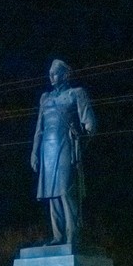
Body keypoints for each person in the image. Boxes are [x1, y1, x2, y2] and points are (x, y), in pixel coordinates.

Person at [31, 59, 96, 246]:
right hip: (47, 150)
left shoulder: (76, 94)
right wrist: (34, 152)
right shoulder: (46, 98)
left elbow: (89, 122)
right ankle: (58, 236)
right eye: (50, 73)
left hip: (66, 145)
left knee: (66, 191)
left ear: (65, 74)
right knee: (52, 194)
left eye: (56, 73)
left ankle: (72, 235)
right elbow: (39, 128)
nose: (51, 76)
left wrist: (84, 135)